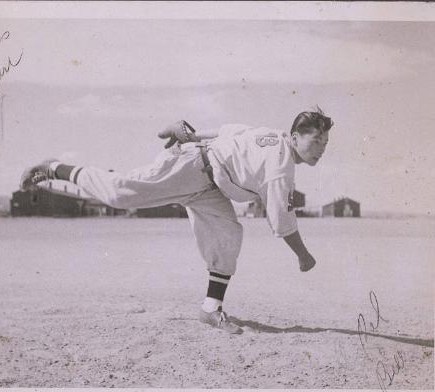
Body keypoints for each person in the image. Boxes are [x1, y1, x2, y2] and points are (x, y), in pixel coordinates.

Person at [20, 108, 333, 335]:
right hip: (192, 166)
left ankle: (210, 309)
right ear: (295, 136)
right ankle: (55, 169)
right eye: (315, 140)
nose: (320, 148)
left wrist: (190, 133)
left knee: (227, 236)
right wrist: (303, 256)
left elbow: (228, 132)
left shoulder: (271, 135)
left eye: (325, 143)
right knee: (121, 195)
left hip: (210, 185)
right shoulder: (281, 166)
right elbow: (281, 220)